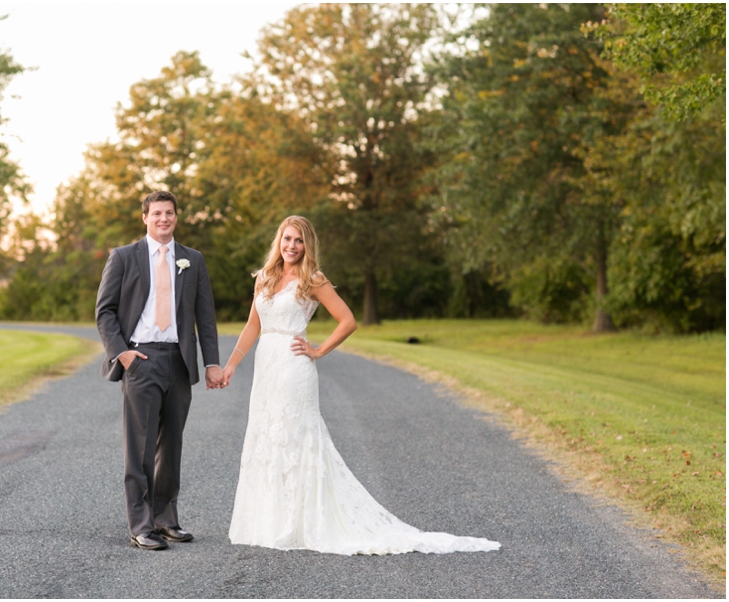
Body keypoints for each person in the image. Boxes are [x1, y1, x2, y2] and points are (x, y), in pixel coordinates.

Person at [220, 216, 500, 555]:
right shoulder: (265, 278)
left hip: (295, 367)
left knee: (296, 436)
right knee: (267, 434)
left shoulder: (313, 279)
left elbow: (348, 320)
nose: (292, 246)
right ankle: (268, 521)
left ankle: (301, 521)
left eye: (299, 241)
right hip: (266, 366)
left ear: (308, 246)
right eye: (287, 239)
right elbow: (253, 326)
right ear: (278, 240)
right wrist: (231, 365)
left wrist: (318, 350)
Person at [95, 190, 222, 551]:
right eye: (157, 213)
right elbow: (104, 311)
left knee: (172, 445)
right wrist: (123, 354)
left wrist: (211, 363)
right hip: (141, 359)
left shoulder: (192, 260)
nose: (163, 219)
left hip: (179, 362)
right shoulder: (124, 257)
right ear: (145, 218)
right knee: (140, 445)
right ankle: (141, 524)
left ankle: (166, 519)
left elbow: (205, 317)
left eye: (169, 213)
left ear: (176, 217)